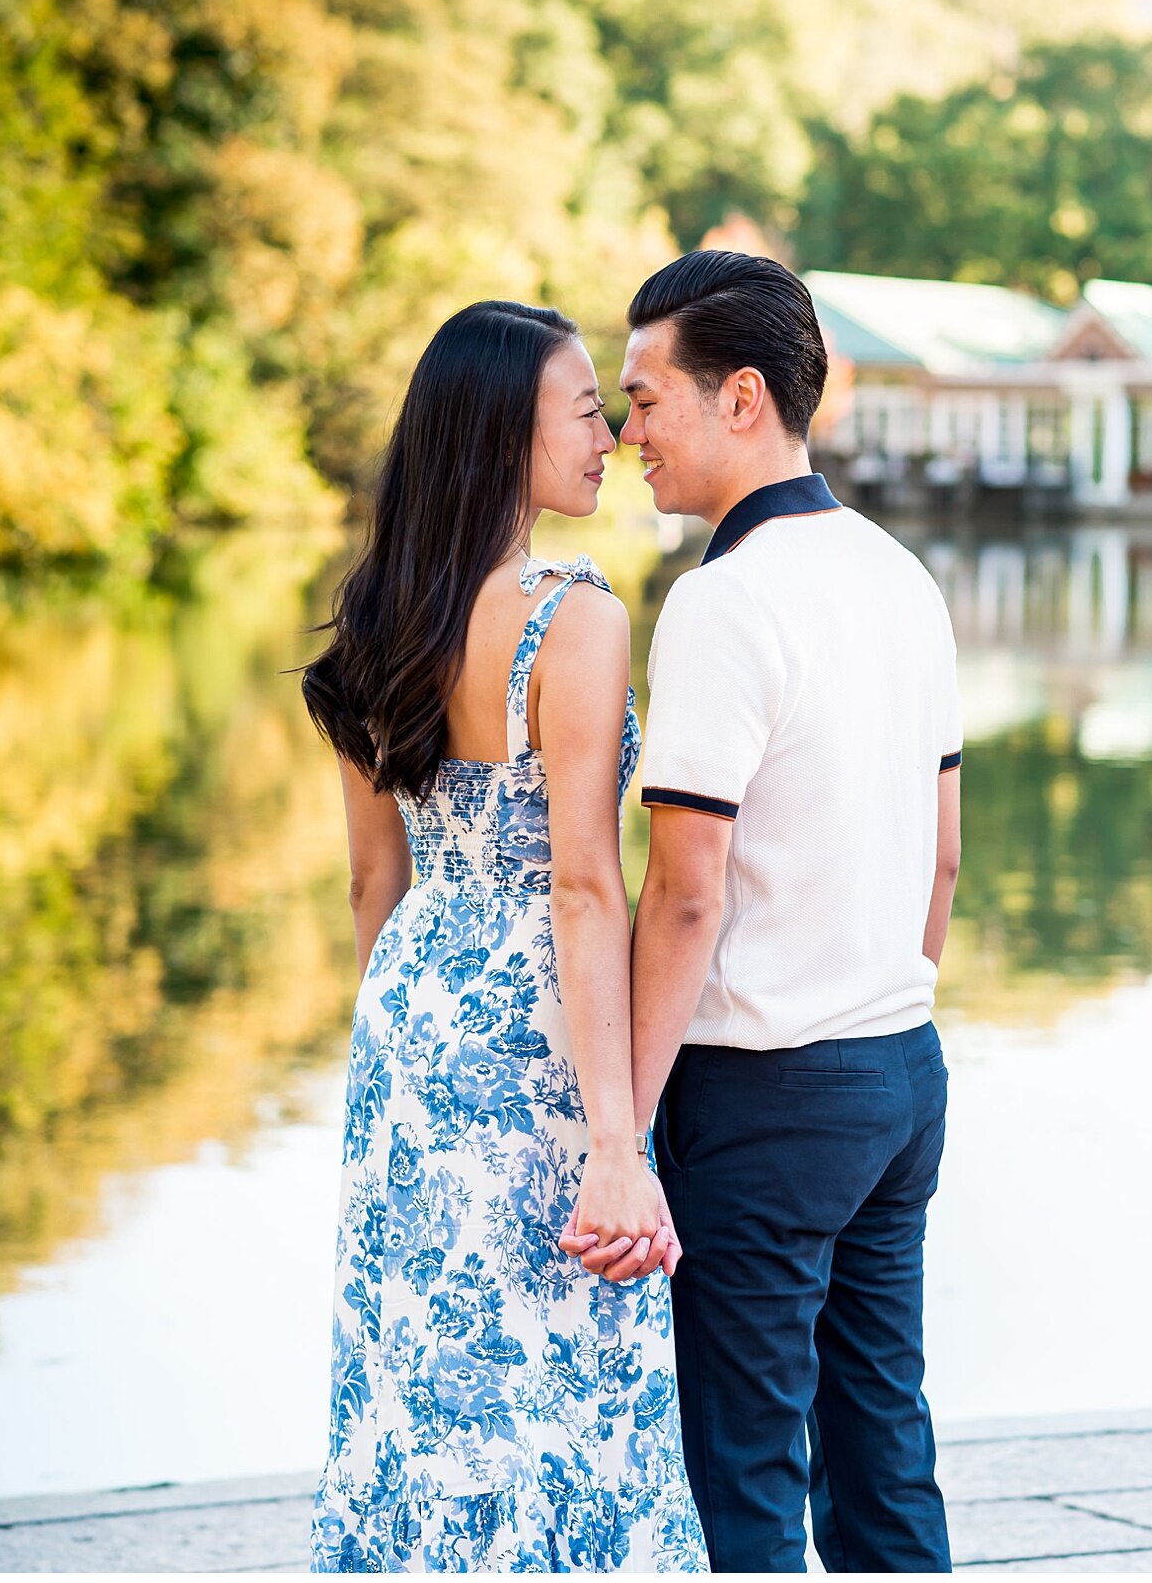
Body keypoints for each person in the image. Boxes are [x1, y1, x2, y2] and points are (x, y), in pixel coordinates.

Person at [570, 250, 962, 1574]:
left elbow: (685, 893)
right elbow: (944, 864)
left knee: (739, 1485)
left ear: (742, 399)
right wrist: (876, 1010)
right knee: (882, 1455)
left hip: (767, 1095)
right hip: (901, 1076)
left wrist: (622, 1122)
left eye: (643, 398)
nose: (626, 436)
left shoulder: (726, 602)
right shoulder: (903, 577)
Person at [301, 299, 708, 1574]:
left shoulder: (378, 611)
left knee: (425, 1376)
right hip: (540, 1032)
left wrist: (411, 1057)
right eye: (585, 408)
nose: (609, 434)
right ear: (501, 436)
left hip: (413, 1021)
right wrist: (616, 1141)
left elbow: (377, 883)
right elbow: (586, 889)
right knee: (558, 1374)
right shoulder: (571, 615)